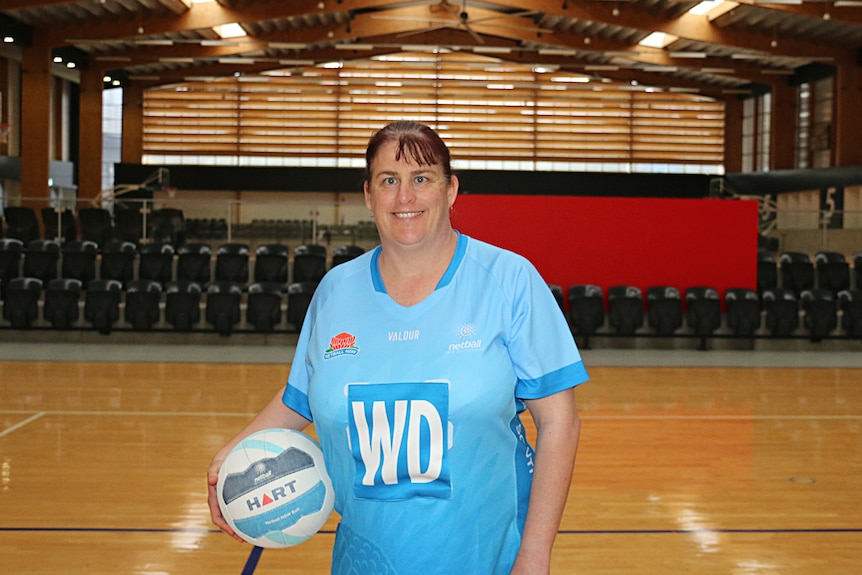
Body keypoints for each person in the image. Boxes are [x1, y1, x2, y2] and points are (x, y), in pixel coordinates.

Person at [207, 121, 589, 574]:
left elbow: (560, 423)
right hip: (365, 561)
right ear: (369, 195)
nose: (404, 197)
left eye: (421, 179)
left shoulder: (509, 282)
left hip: (487, 560)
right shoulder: (335, 291)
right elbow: (302, 398)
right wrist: (229, 460)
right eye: (389, 181)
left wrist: (534, 554)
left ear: (450, 191)